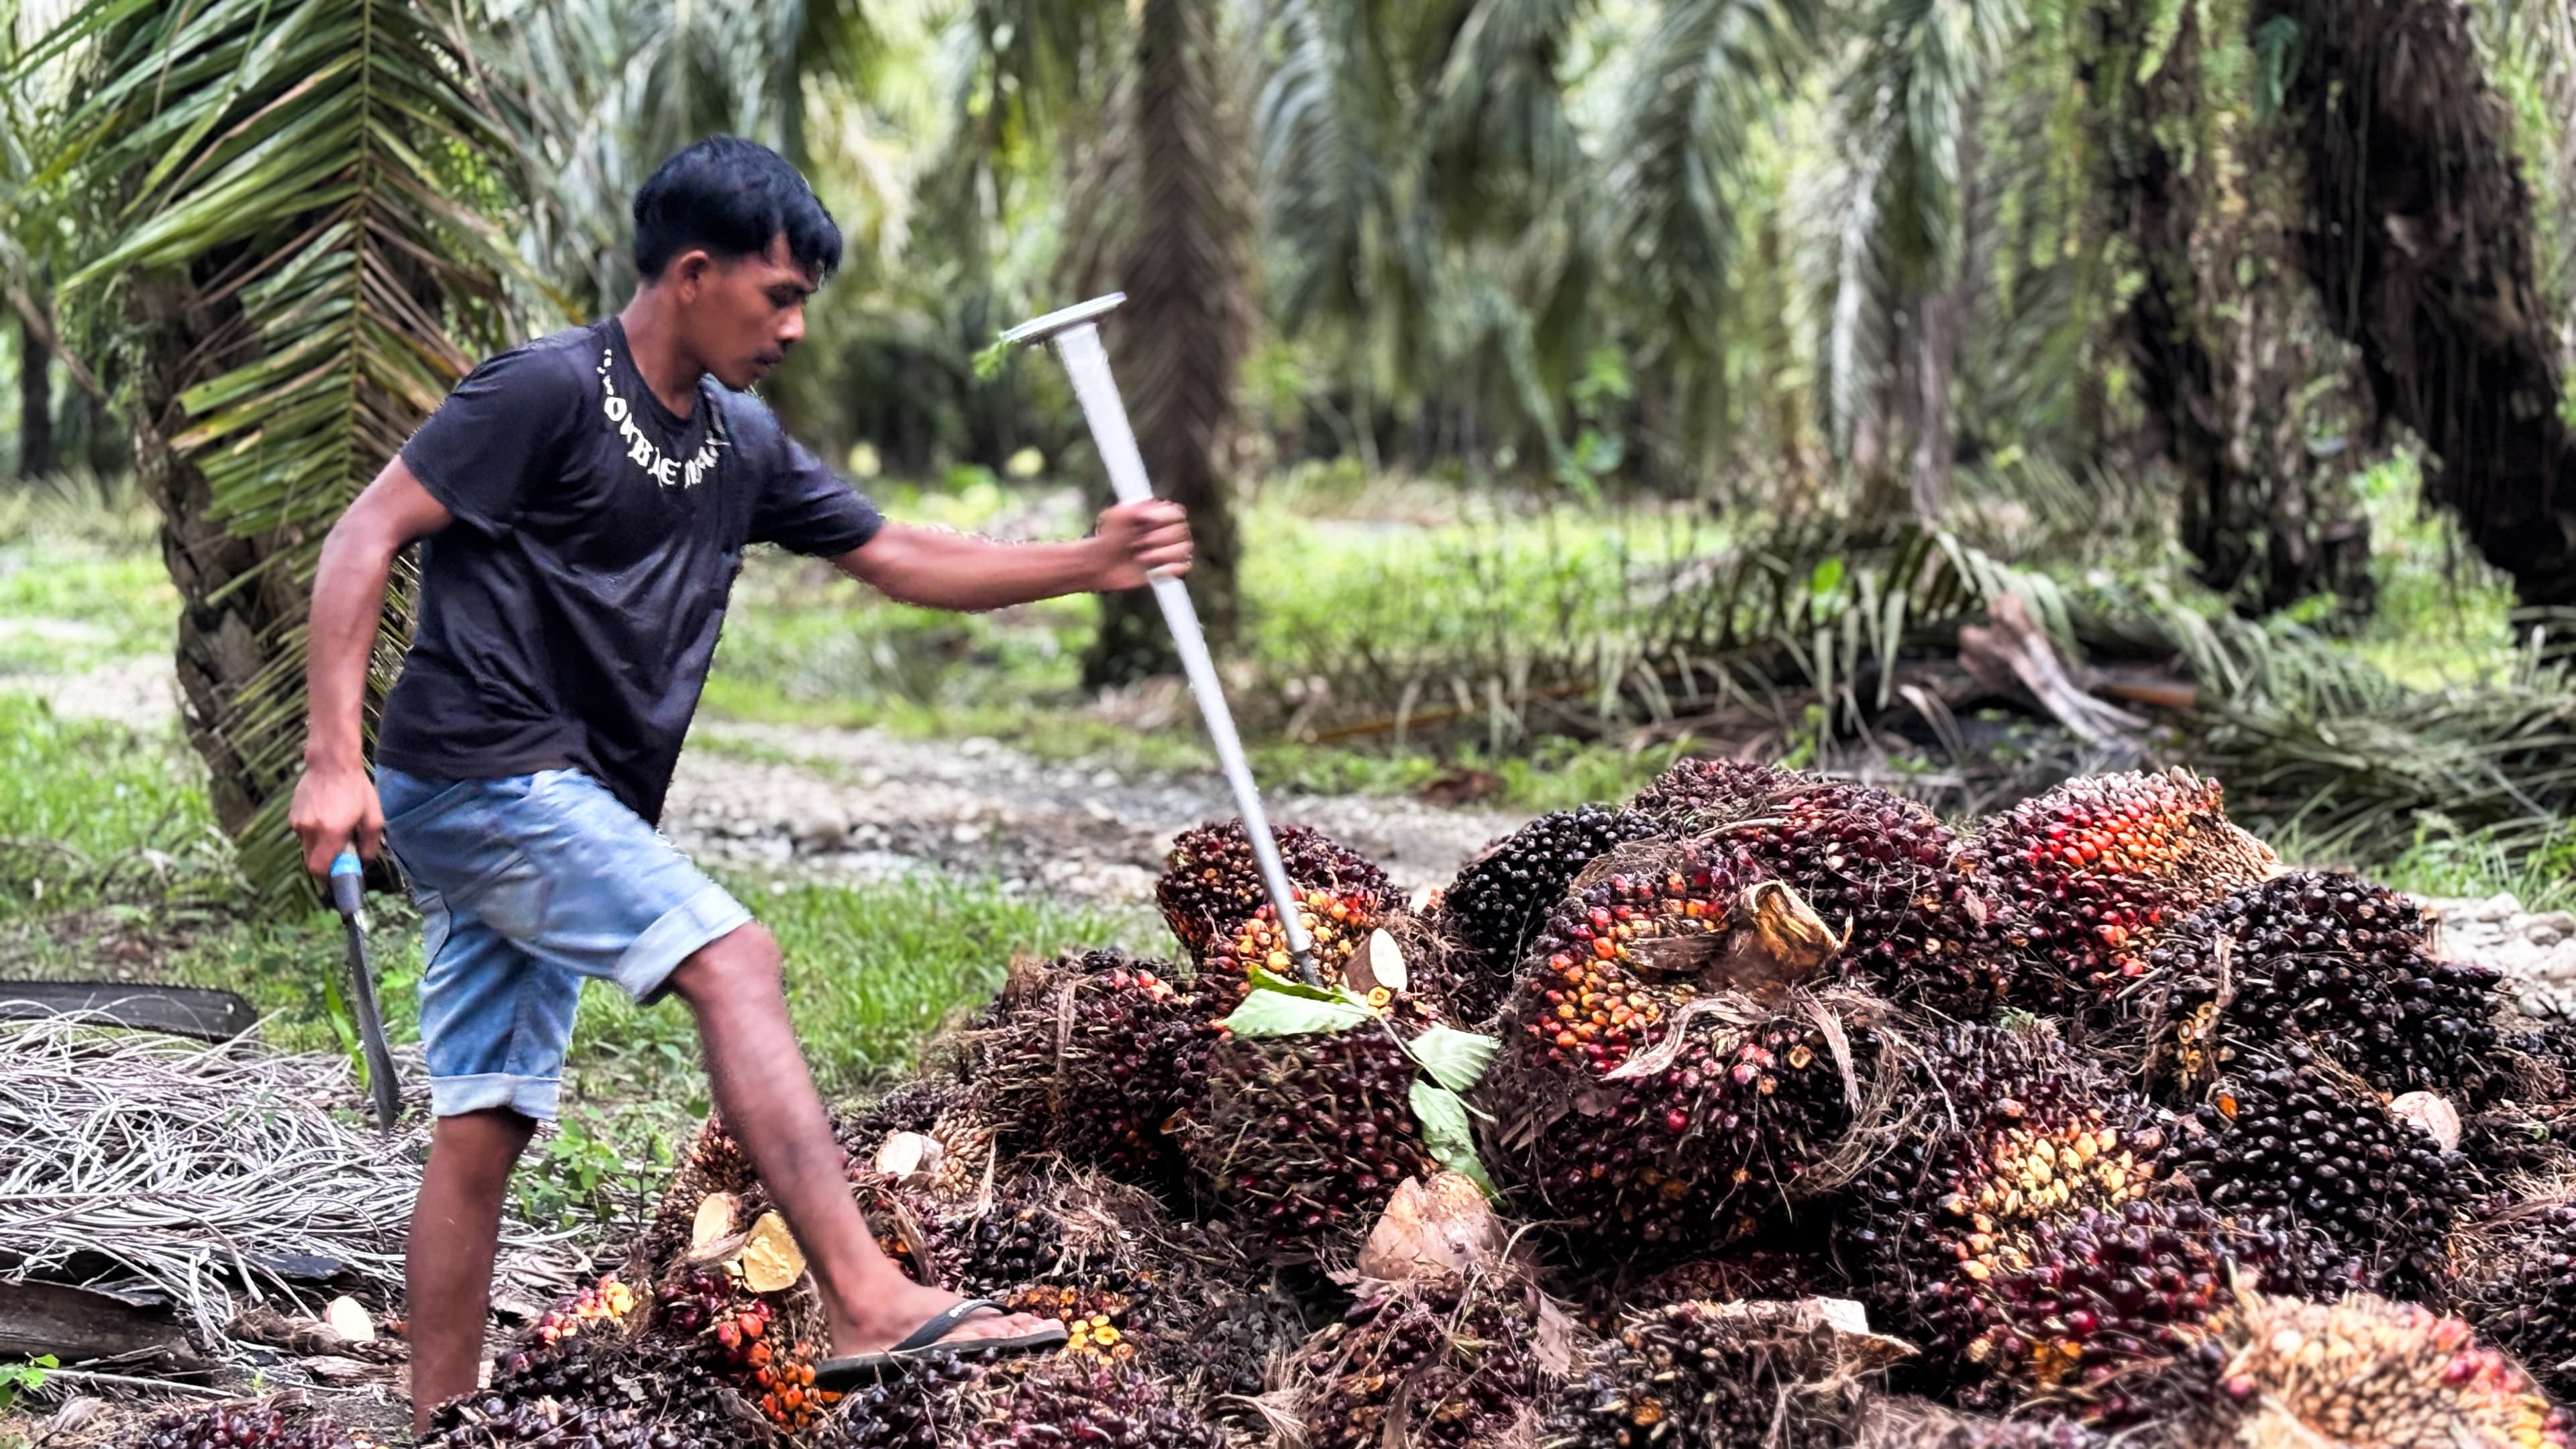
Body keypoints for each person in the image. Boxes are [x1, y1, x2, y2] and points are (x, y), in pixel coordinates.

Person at [286, 136, 1189, 1427]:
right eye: (780, 296)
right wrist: (332, 760)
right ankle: (866, 1299)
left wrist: (1088, 564)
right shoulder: (544, 391)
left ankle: (441, 1423)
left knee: (484, 1124)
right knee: (733, 957)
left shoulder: (739, 442)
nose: (797, 327)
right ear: (695, 273)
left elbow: (898, 555)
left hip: (557, 795)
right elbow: (365, 531)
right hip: (484, 772)